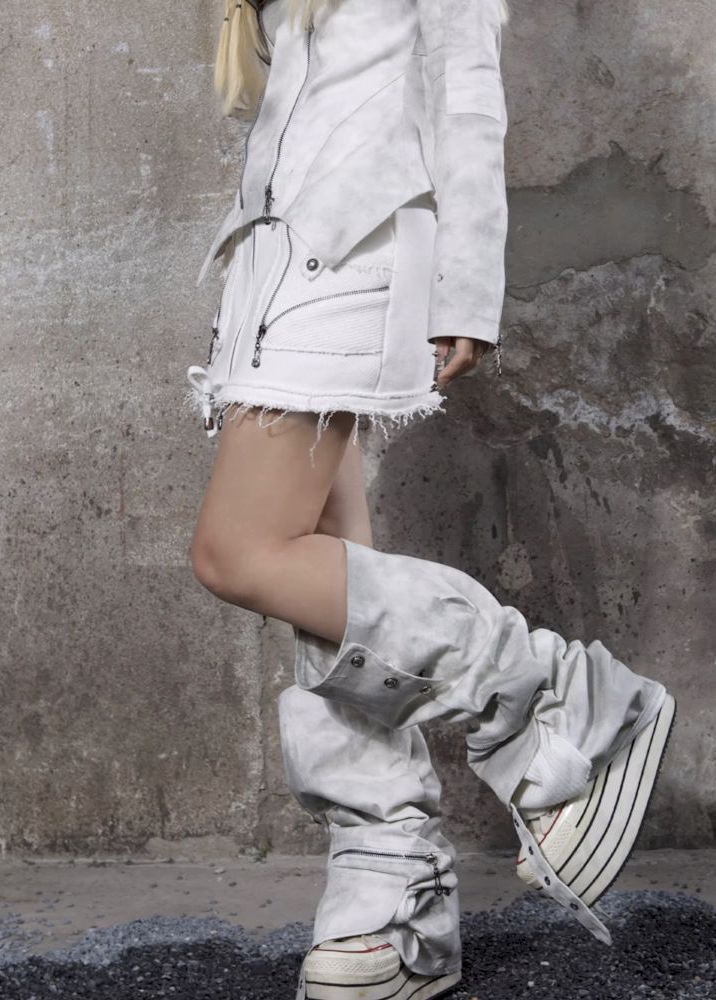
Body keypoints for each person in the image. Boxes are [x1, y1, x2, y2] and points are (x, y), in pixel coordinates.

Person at [185, 2, 677, 998]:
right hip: (277, 268)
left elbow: (466, 93)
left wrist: (466, 290)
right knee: (331, 583)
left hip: (348, 261)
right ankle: (391, 882)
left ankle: (552, 698)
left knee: (240, 551)